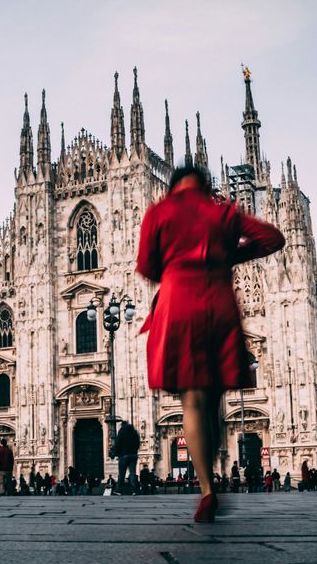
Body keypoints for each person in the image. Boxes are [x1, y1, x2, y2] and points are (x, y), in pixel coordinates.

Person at [136, 165, 285, 522]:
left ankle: (207, 490)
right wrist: (227, 255)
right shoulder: (222, 211)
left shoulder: (159, 211)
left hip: (177, 305)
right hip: (217, 305)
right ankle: (217, 464)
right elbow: (273, 238)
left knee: (191, 400)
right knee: (214, 394)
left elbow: (146, 265)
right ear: (205, 185)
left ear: (172, 187)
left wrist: (173, 269)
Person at [114, 421, 140, 494]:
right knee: (132, 473)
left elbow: (117, 443)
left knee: (122, 473)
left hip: (124, 455)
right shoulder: (134, 432)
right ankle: (134, 490)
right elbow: (138, 443)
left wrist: (116, 453)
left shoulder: (121, 432)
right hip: (133, 455)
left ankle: (118, 490)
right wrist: (135, 451)